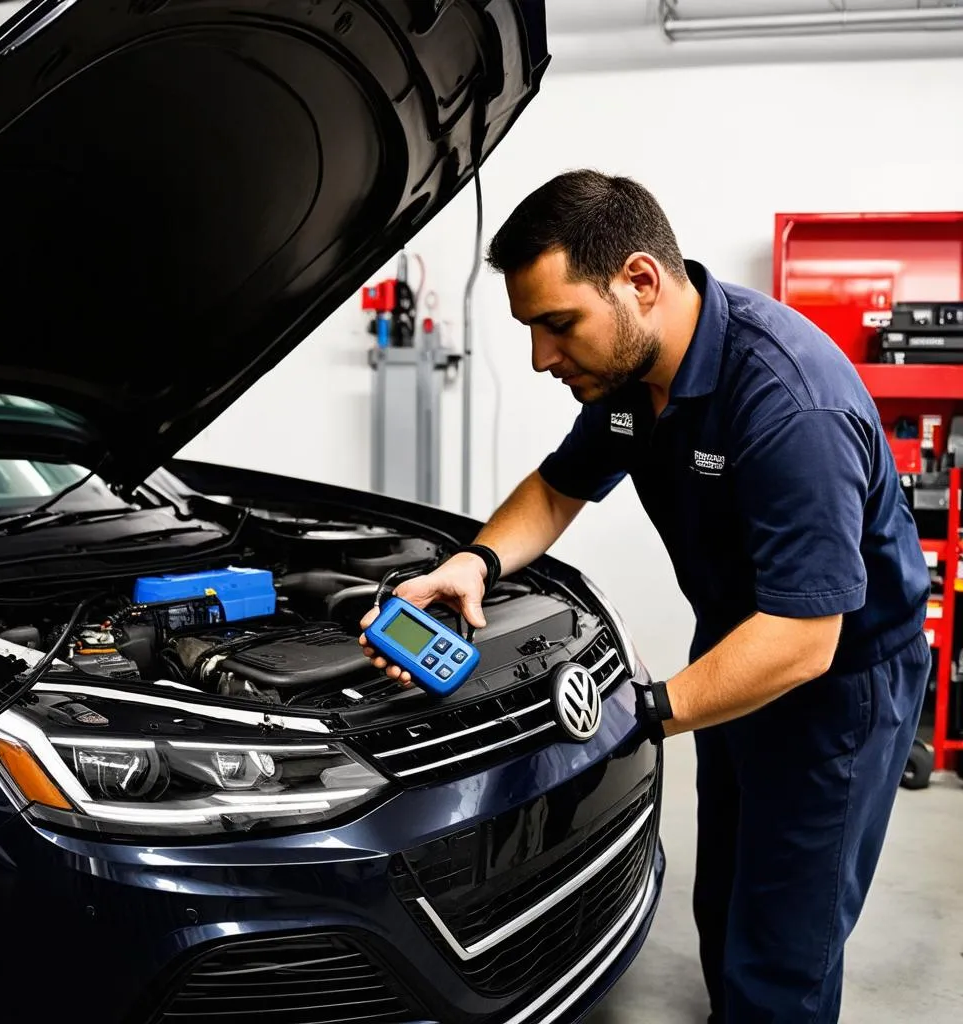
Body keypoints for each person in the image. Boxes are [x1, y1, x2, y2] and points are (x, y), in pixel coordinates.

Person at [358, 170, 931, 1023]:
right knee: (727, 898)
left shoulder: (784, 402)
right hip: (736, 648)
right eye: (531, 330)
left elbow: (805, 639)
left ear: (638, 281)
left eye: (558, 325)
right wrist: (474, 562)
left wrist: (640, 708)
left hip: (835, 688)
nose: (542, 357)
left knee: (785, 945)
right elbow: (557, 489)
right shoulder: (630, 384)